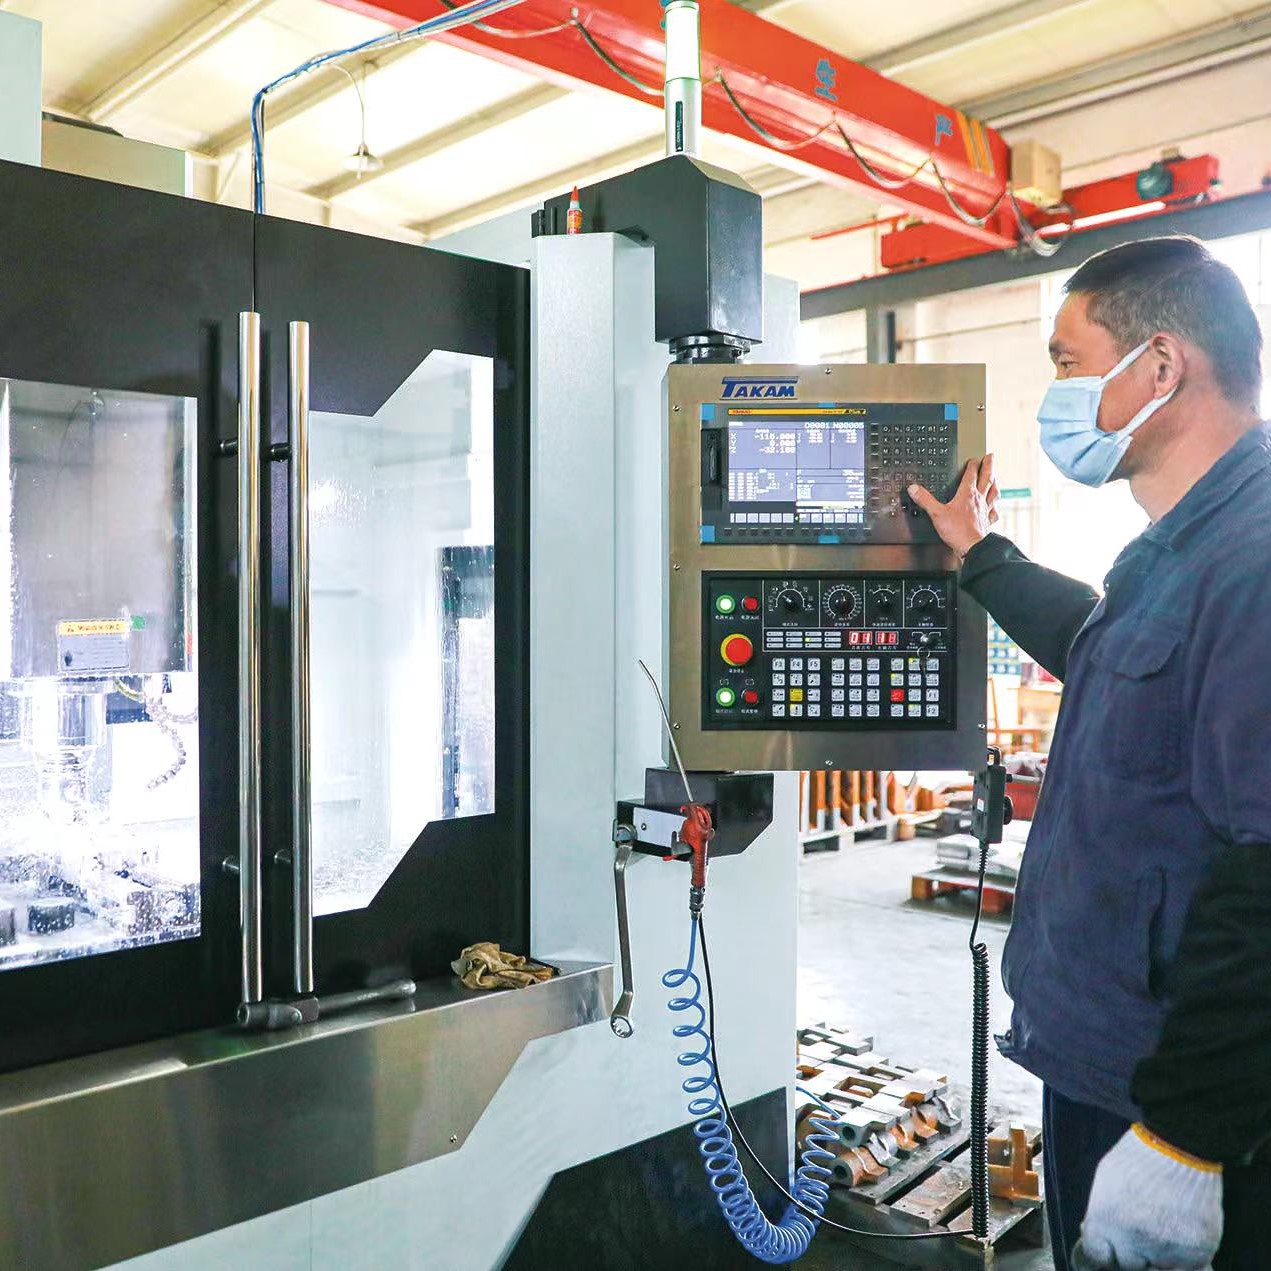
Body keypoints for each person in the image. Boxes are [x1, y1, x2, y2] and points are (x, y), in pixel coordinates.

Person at [908, 236, 1271, 1271]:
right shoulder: (1181, 542)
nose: (1054, 395)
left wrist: (1182, 1141)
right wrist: (984, 558)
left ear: (1159, 366)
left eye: (1068, 363)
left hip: (1173, 1098)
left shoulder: (1252, 559)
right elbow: (1110, 651)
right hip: (1104, 1057)